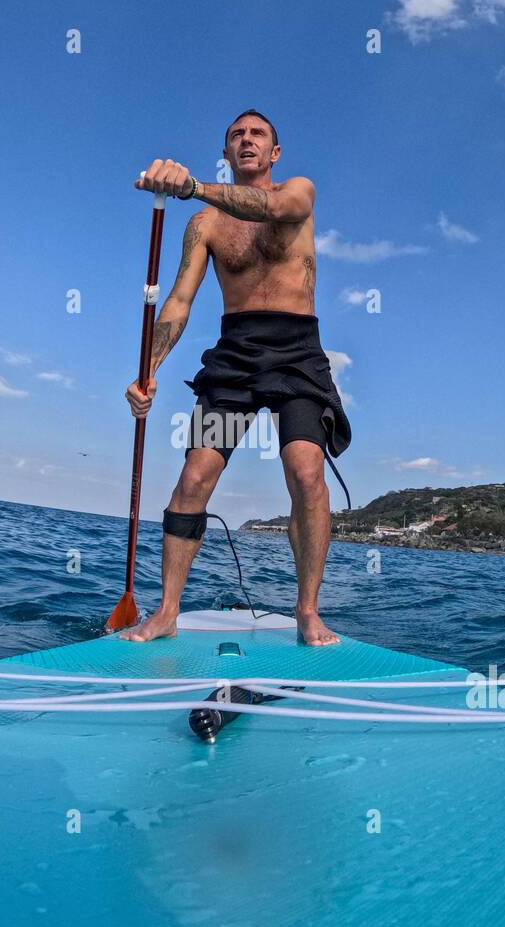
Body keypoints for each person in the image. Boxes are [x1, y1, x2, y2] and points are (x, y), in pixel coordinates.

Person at [123, 109, 350, 647]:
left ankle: (308, 611)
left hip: (296, 353)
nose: (246, 140)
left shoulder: (299, 191)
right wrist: (147, 372)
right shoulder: (204, 222)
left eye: (257, 135)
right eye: (235, 136)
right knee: (196, 476)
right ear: (226, 153)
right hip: (237, 356)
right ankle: (167, 611)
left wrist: (193, 186)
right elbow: (178, 300)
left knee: (305, 470)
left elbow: (276, 206)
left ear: (274, 152)